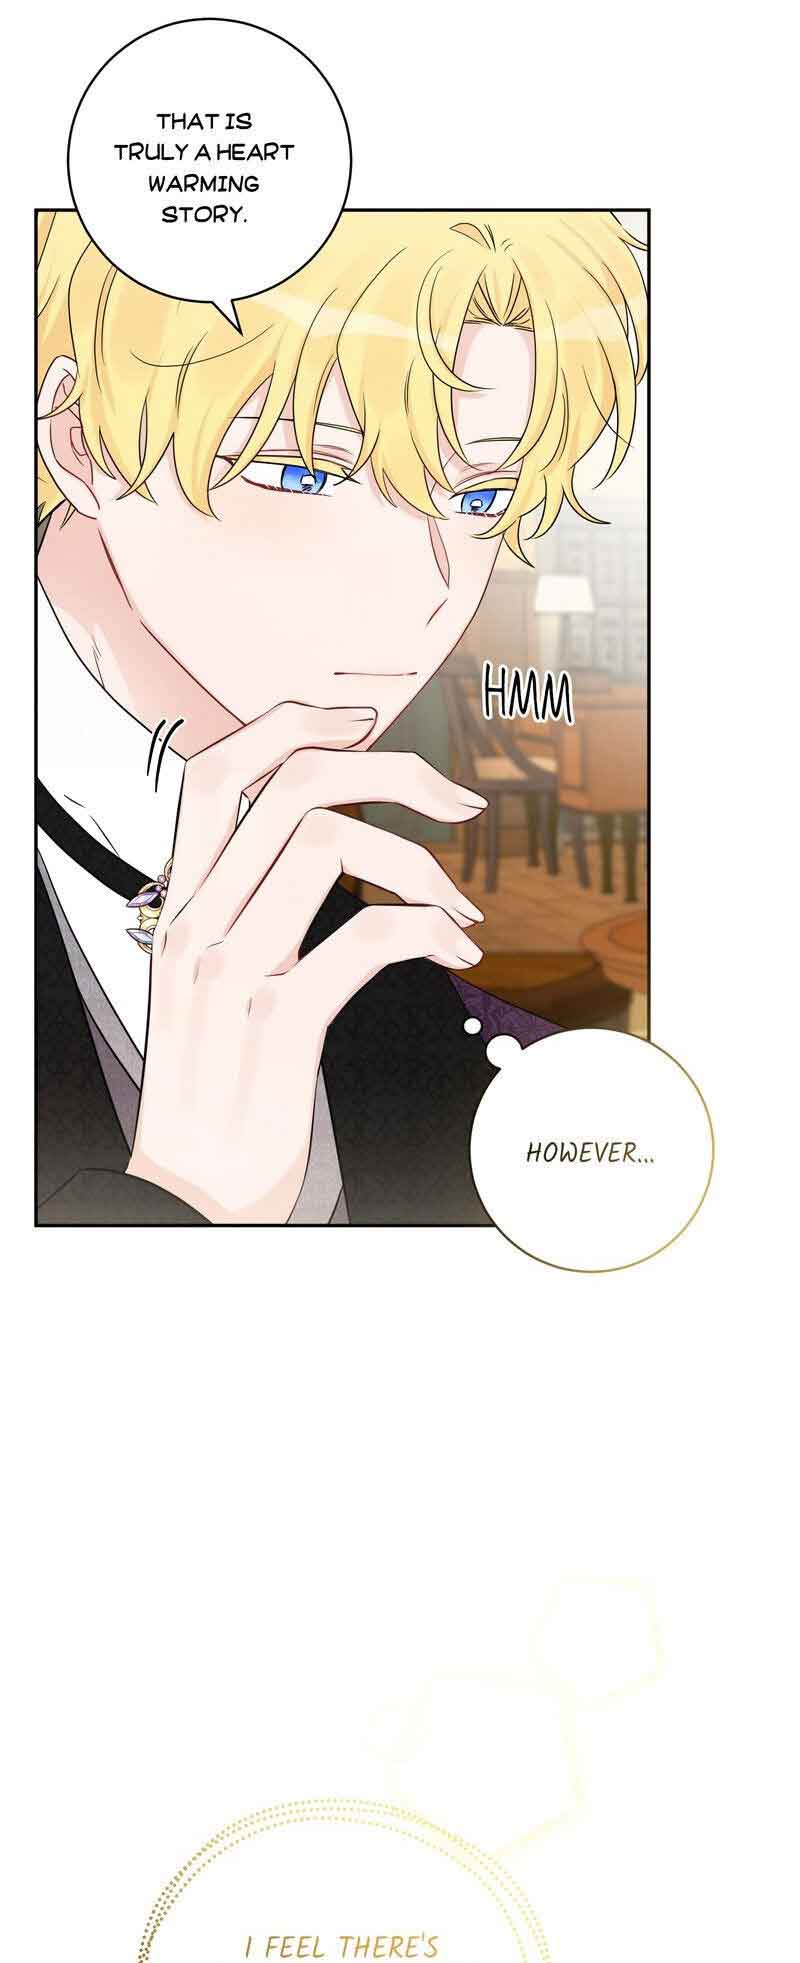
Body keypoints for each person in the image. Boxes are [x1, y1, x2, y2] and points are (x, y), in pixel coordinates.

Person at [36, 205, 646, 1227]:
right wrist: (187, 1205)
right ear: (82, 444)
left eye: (481, 498)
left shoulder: (378, 931)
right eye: (305, 472)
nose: (424, 590)